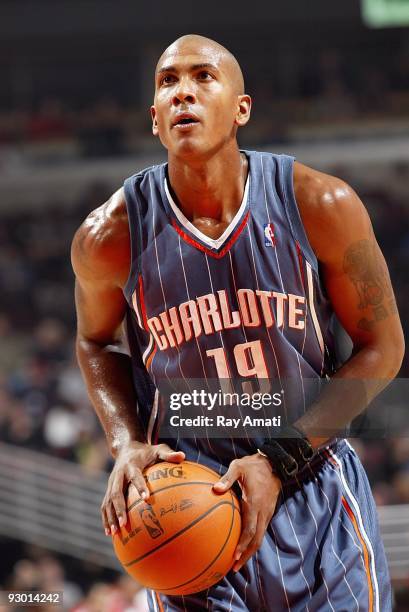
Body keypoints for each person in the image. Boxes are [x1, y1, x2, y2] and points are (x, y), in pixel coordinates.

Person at [71, 34, 405, 611]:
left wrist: (278, 460)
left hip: (312, 489)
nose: (183, 94)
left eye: (203, 77)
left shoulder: (322, 204)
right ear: (154, 120)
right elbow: (94, 342)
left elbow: (384, 347)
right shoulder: (107, 236)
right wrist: (125, 444)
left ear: (241, 108)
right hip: (186, 497)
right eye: (168, 82)